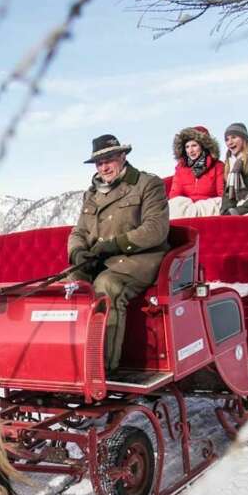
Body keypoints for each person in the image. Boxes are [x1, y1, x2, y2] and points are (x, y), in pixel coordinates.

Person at [66, 133, 170, 374]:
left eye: (109, 159)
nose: (104, 167)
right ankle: (68, 363)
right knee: (70, 285)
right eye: (99, 163)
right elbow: (79, 230)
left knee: (107, 285)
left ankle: (101, 369)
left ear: (122, 156)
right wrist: (78, 252)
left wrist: (115, 244)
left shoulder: (147, 184)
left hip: (140, 259)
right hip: (102, 259)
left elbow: (155, 230)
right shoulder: (91, 193)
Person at [168, 125, 224, 203]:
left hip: (209, 207)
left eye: (194, 145)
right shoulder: (181, 168)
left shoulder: (218, 166)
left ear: (203, 146)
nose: (190, 151)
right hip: (188, 208)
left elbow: (222, 194)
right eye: (187, 147)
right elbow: (174, 195)